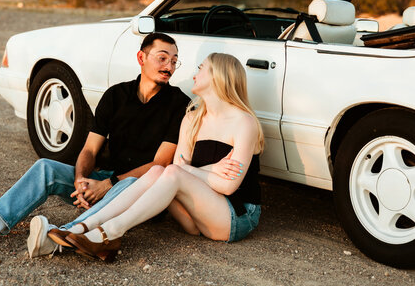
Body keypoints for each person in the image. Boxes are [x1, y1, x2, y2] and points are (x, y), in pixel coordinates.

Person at [0, 32, 190, 257]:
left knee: (132, 183)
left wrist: (107, 185)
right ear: (141, 58)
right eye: (162, 58)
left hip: (138, 191)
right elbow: (90, 149)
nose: (169, 66)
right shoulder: (116, 95)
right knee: (45, 167)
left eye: (174, 61)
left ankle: (62, 236)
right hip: (104, 180)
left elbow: (160, 164)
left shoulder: (178, 103)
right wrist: (82, 181)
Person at [42, 53, 264, 262]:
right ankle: (82, 227)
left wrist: (191, 170)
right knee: (158, 171)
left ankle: (110, 233)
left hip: (235, 216)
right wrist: (211, 169)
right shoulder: (192, 118)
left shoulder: (243, 122)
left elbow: (227, 186)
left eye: (201, 68)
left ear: (219, 76)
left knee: (173, 172)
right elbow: (177, 168)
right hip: (194, 217)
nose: (195, 75)